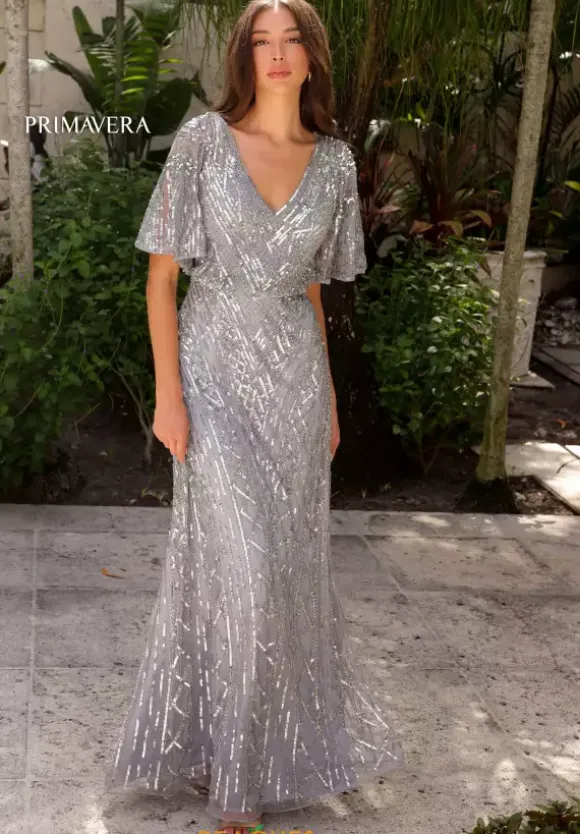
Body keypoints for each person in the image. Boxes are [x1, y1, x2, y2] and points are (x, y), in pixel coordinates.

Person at [103, 1, 405, 831]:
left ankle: (246, 750)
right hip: (210, 375)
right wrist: (168, 394)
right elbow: (162, 280)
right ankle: (235, 786)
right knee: (244, 564)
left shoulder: (335, 163)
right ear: (246, 57)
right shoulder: (203, 143)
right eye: (261, 42)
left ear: (311, 57)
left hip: (294, 388)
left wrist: (330, 396)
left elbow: (311, 288)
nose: (276, 54)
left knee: (280, 574)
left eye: (291, 40)